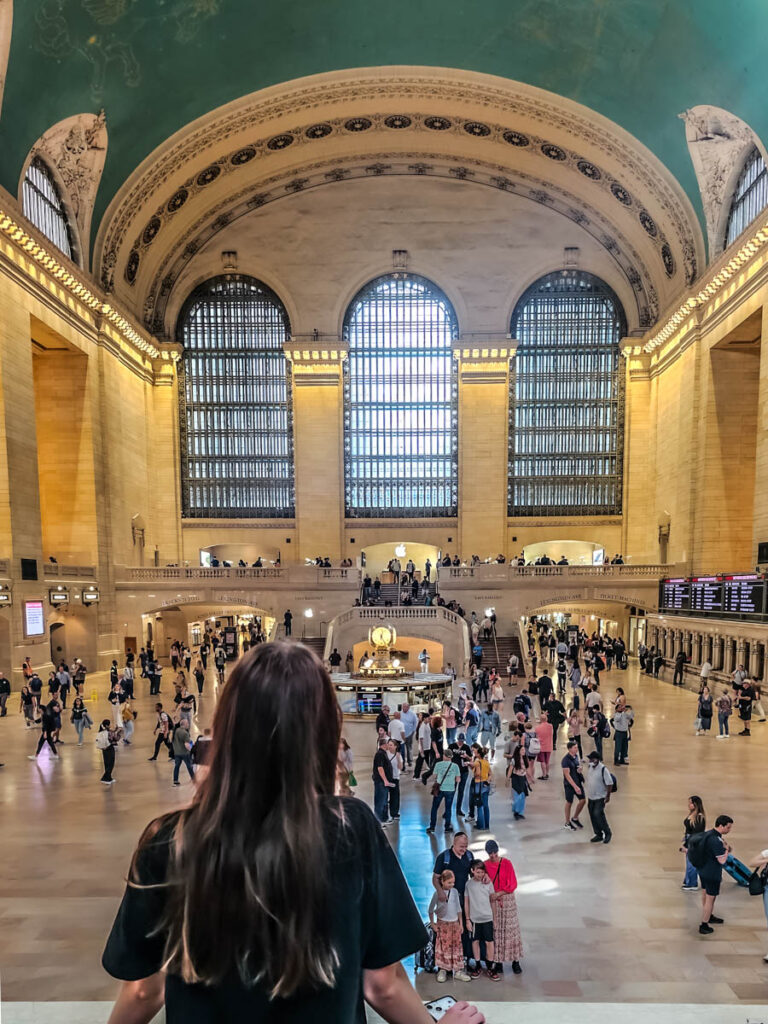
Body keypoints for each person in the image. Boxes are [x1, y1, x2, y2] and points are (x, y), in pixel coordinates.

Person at [104, 643, 483, 1024]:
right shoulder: (350, 828)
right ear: (321, 731)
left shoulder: (169, 839)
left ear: (228, 726)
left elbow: (143, 990)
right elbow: (381, 984)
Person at [484, 840, 523, 976]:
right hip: (493, 902)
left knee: (511, 931)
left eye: (495, 853)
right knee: (497, 932)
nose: (493, 856)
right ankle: (498, 961)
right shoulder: (485, 865)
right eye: (490, 854)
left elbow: (512, 884)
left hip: (506, 900)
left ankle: (515, 961)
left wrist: (499, 893)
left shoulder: (506, 863)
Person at [428, 870, 471, 983]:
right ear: (442, 881)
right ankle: (442, 969)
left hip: (454, 924)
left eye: (453, 882)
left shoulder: (455, 892)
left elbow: (458, 909)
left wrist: (461, 923)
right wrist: (433, 924)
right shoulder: (437, 893)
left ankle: (457, 970)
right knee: (443, 947)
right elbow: (430, 909)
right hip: (443, 924)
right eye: (449, 883)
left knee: (456, 947)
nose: (451, 885)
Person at [694, 814, 733, 934]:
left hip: (703, 870)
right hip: (712, 873)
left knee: (705, 894)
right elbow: (722, 860)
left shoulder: (707, 834)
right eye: (728, 827)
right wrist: (726, 849)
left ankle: (708, 915)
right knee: (711, 898)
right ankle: (704, 924)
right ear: (721, 826)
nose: (729, 830)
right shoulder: (716, 840)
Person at [465, 861, 499, 981]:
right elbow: (466, 902)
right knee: (475, 942)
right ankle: (478, 965)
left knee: (489, 942)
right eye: (478, 872)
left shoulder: (488, 884)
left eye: (482, 872)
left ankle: (490, 966)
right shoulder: (468, 885)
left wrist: (495, 918)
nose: (480, 874)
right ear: (472, 871)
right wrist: (468, 920)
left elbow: (493, 901)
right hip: (475, 920)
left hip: (488, 918)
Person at [427, 751, 460, 834]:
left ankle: (432, 827)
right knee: (448, 808)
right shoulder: (455, 766)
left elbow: (434, 776)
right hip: (450, 789)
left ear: (444, 756)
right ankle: (447, 827)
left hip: (440, 789)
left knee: (434, 808)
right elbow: (458, 779)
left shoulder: (438, 764)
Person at [584, 750, 613, 844]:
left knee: (598, 814)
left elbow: (609, 783)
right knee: (592, 815)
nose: (589, 760)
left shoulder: (603, 769)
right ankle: (598, 834)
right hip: (591, 797)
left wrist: (608, 796)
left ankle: (607, 833)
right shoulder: (591, 767)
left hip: (600, 797)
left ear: (596, 760)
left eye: (591, 759)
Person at [680, 795, 706, 892]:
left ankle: (692, 882)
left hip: (694, 842)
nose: (688, 805)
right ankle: (688, 881)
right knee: (688, 863)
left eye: (690, 803)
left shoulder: (699, 817)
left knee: (691, 864)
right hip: (689, 839)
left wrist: (689, 845)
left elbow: (697, 833)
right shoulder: (692, 815)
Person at [561, 739, 585, 831]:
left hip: (578, 782)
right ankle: (567, 822)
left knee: (582, 800)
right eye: (575, 748)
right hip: (570, 785)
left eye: (577, 747)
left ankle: (575, 817)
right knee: (569, 802)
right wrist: (575, 786)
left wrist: (579, 770)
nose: (577, 749)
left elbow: (576, 767)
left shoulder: (576, 757)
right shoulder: (565, 760)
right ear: (569, 749)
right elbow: (567, 775)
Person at [372, 736, 395, 826]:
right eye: (387, 744)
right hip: (380, 782)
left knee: (384, 800)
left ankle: (384, 818)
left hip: (385, 782)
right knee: (380, 801)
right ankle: (378, 821)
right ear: (384, 745)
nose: (389, 746)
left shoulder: (384, 753)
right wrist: (385, 780)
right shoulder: (380, 754)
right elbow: (380, 768)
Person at [469, 744, 491, 830]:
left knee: (479, 805)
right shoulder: (486, 762)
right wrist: (487, 780)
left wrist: (470, 765)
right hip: (485, 784)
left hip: (478, 784)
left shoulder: (477, 762)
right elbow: (490, 774)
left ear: (478, 754)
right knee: (486, 805)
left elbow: (477, 773)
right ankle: (487, 824)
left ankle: (480, 825)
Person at [95, 718, 121, 784]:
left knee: (106, 763)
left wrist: (115, 730)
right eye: (109, 724)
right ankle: (105, 778)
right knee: (111, 764)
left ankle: (109, 778)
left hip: (104, 749)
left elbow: (111, 732)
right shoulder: (108, 733)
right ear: (106, 725)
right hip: (110, 748)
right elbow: (116, 738)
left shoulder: (101, 731)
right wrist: (119, 732)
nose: (110, 726)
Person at [507, 741, 529, 819]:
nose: (524, 751)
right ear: (518, 751)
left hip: (523, 778)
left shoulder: (525, 758)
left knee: (523, 796)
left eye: (524, 750)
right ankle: (515, 810)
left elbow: (526, 769)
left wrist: (530, 778)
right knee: (518, 796)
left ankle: (520, 812)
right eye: (522, 750)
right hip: (516, 778)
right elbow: (510, 769)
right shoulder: (514, 760)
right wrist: (507, 779)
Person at [172, 719, 195, 786]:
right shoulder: (185, 733)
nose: (188, 724)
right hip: (185, 753)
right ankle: (193, 779)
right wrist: (191, 750)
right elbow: (187, 745)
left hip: (177, 752)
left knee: (177, 766)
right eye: (187, 723)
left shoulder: (176, 730)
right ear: (184, 724)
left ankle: (175, 780)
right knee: (189, 766)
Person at [611, 700, 633, 765]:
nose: (621, 708)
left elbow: (631, 716)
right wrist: (623, 712)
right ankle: (616, 760)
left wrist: (631, 710)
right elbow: (617, 719)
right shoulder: (616, 715)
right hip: (619, 733)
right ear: (616, 709)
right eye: (619, 707)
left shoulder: (625, 714)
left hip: (624, 733)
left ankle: (622, 760)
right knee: (618, 747)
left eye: (622, 707)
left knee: (624, 747)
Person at [533, 711, 553, 780]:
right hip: (549, 746)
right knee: (547, 761)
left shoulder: (537, 728)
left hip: (541, 747)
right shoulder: (550, 726)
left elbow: (535, 736)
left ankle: (543, 775)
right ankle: (547, 773)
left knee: (543, 761)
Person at [413, 711, 433, 780]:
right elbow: (420, 739)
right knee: (420, 761)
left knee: (429, 761)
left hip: (428, 747)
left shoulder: (427, 724)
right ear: (424, 718)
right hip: (423, 748)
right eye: (428, 718)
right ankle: (416, 776)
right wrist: (421, 749)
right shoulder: (422, 726)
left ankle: (432, 772)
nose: (429, 720)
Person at [399, 702, 418, 770]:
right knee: (402, 749)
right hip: (401, 734)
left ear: (408, 707)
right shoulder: (400, 713)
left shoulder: (412, 714)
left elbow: (415, 722)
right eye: (403, 707)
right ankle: (402, 762)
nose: (403, 708)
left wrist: (413, 731)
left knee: (409, 747)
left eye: (405, 707)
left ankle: (410, 761)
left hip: (410, 733)